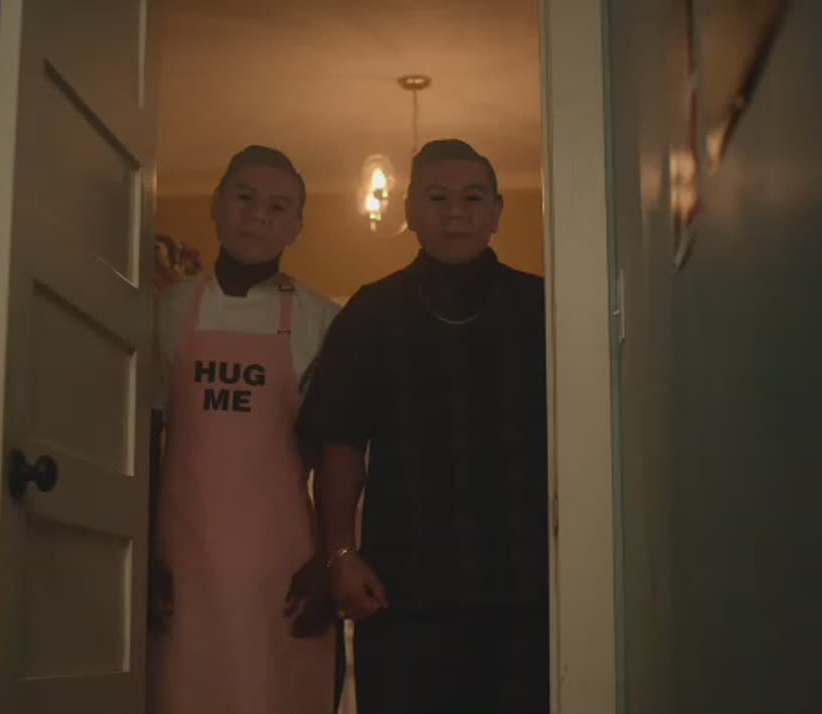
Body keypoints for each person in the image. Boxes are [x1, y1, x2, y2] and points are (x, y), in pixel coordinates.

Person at [297, 139, 550, 713]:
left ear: (496, 212)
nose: (455, 212)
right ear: (410, 212)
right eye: (437, 198)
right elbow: (340, 443)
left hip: (527, 588)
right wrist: (340, 554)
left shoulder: (543, 307)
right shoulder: (371, 312)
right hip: (401, 592)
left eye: (472, 198)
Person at [148, 146, 341, 714]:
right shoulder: (163, 312)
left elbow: (338, 451)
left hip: (282, 575)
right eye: (245, 197)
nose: (258, 214)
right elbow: (140, 439)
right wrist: (137, 557)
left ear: (297, 225)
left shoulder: (321, 321)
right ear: (216, 204)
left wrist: (329, 559)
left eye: (278, 206)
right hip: (178, 572)